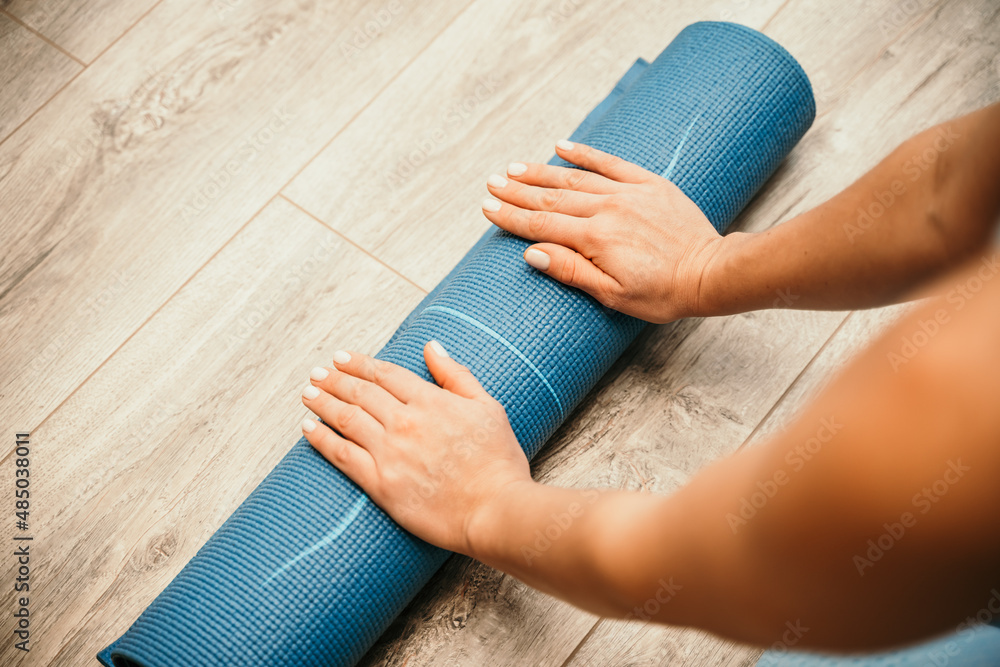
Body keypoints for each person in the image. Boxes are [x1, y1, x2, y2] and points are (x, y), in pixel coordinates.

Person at [298, 101, 1000, 651]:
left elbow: (743, 568)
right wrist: (708, 266)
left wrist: (486, 504)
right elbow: (953, 183)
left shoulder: (959, 406)